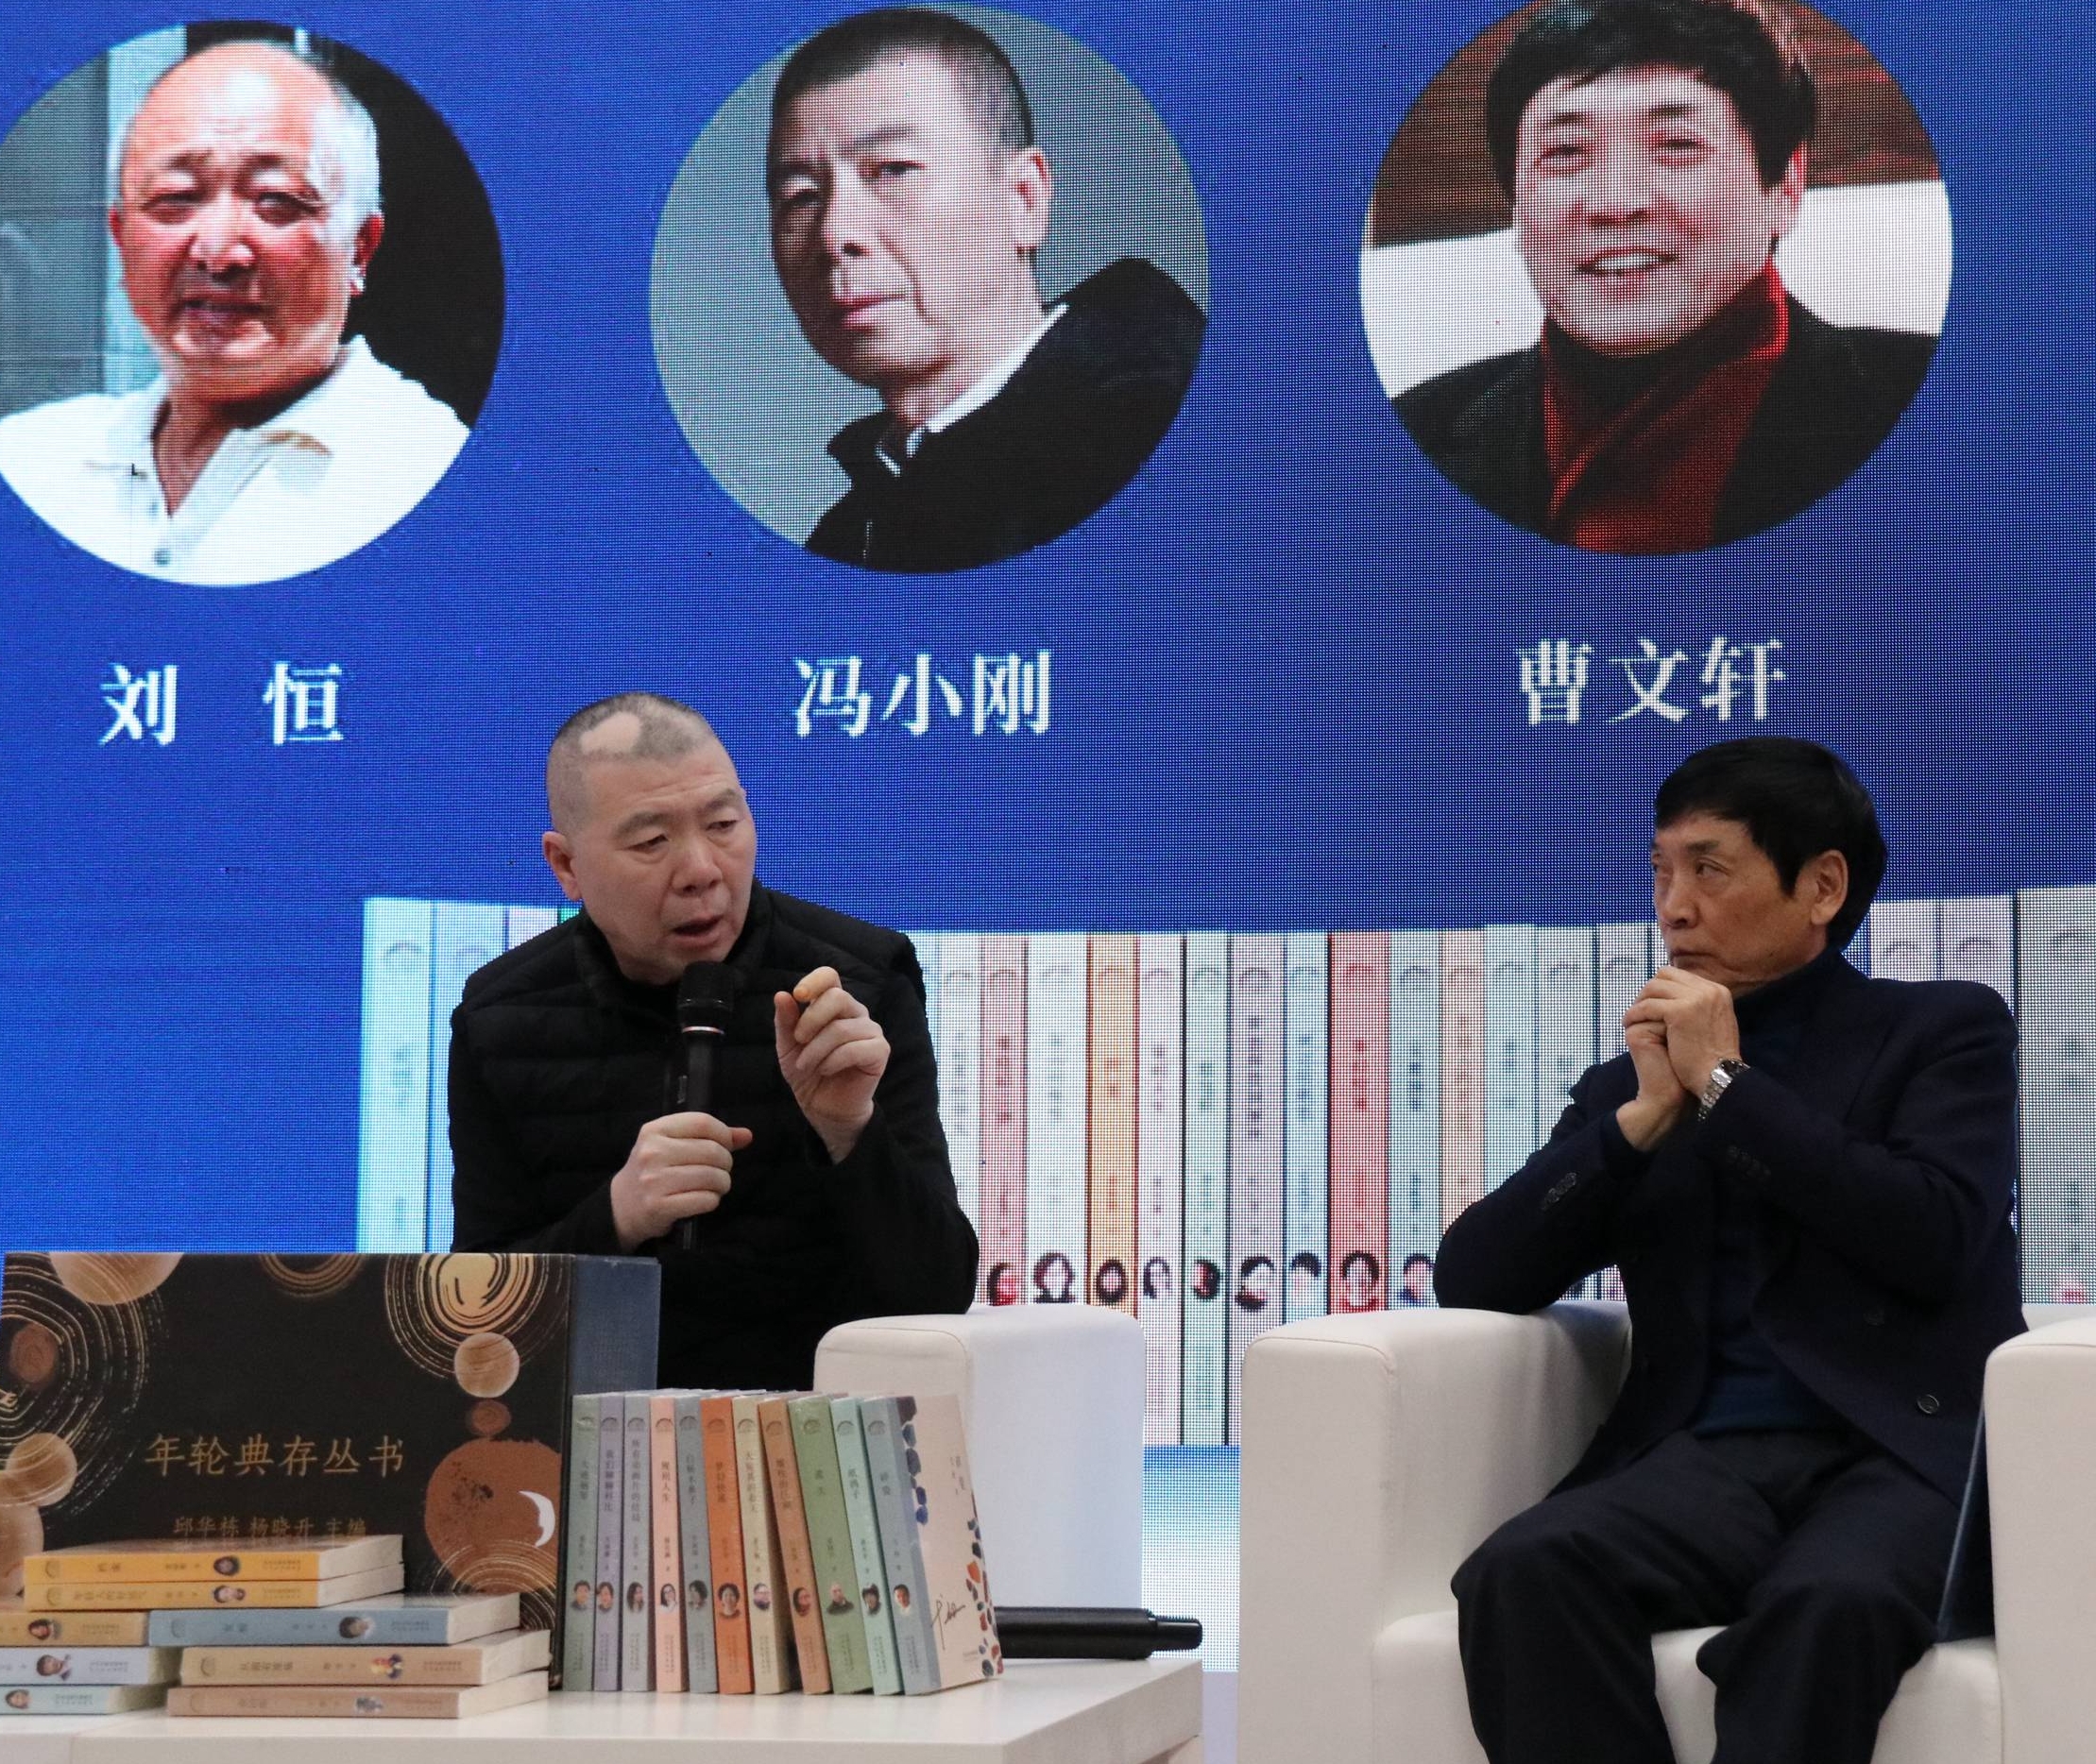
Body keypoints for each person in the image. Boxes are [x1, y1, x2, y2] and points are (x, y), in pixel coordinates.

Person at [1436, 737, 2021, 1764]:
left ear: (1822, 886)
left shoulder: (1941, 1030)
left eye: (1709, 869)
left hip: (1898, 1455)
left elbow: (1931, 1236)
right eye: (1660, 871)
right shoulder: (1633, 1085)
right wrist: (1636, 1123)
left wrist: (1726, 1090)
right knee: (1522, 1568)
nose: (1674, 907)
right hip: (1701, 1463)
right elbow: (1475, 1274)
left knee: (1826, 1603)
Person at [448, 692, 978, 1388]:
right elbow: (481, 1321)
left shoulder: (859, 986)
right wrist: (616, 1216)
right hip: (601, 1426)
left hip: (823, 1422)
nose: (702, 870)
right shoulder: (500, 1019)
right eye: (651, 842)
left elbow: (939, 1292)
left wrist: (850, 1132)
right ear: (566, 865)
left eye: (723, 824)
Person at [1394, 0, 1933, 554]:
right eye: (1565, 152)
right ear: (1517, 207)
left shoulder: (1936, 411)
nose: (1614, 203)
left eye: (1676, 147)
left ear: (1784, 188)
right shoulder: (1416, 434)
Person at [0, 41, 467, 585]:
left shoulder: (429, 478)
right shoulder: (31, 461)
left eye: (276, 201)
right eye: (176, 197)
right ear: (122, 241)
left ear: (359, 250)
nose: (218, 251)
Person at [766, 9, 1205, 571]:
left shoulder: (1173, 449)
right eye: (801, 196)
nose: (834, 234)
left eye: (894, 170)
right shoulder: (845, 537)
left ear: (1023, 199)